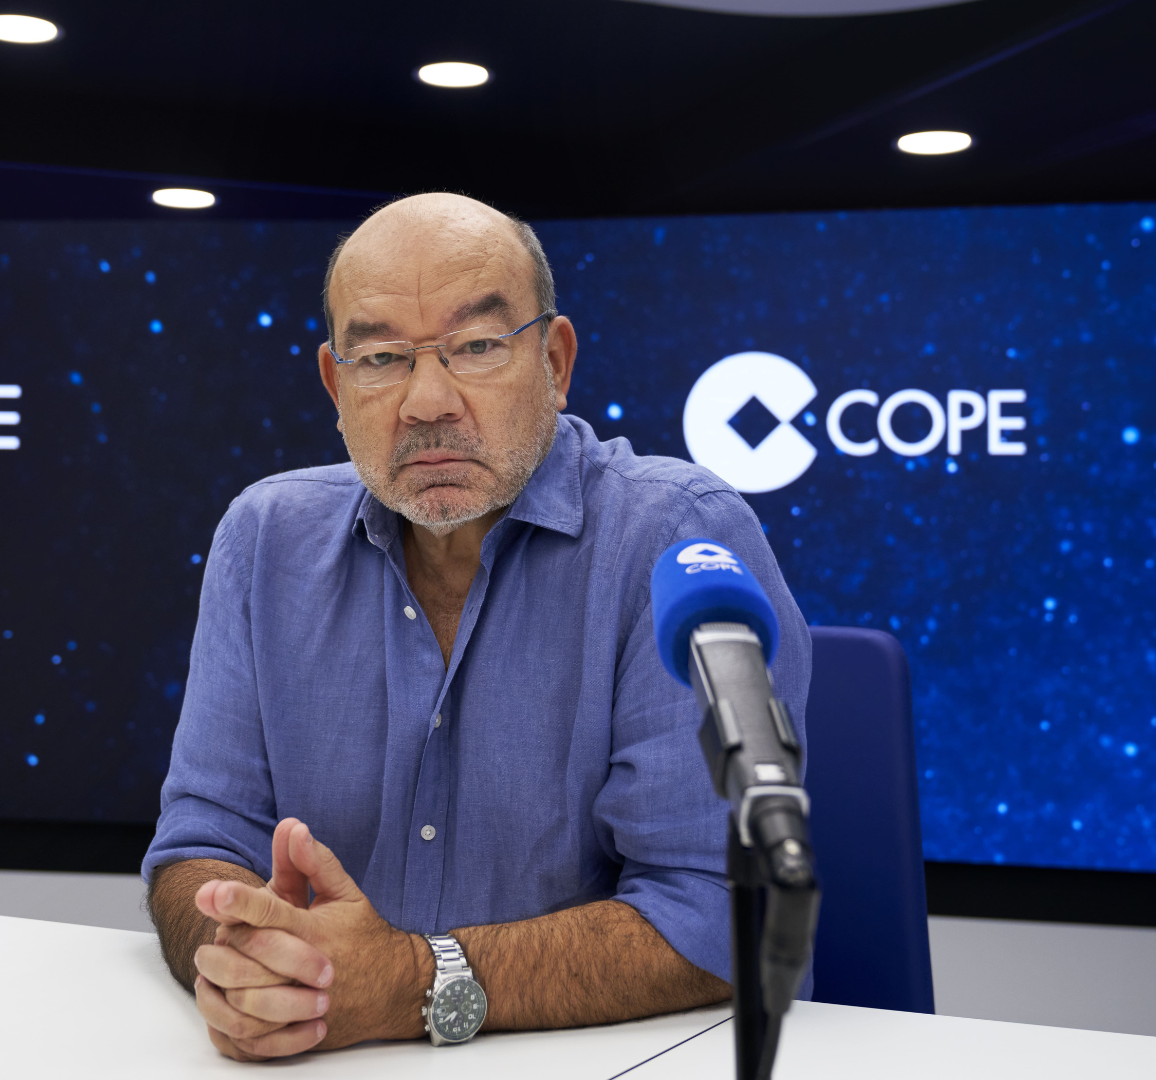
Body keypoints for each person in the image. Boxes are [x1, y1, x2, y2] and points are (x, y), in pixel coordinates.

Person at [143, 192, 810, 1061]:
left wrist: (410, 981)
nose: (427, 401)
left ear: (555, 362)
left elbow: (717, 912)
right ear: (336, 385)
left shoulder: (676, 536)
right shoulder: (264, 539)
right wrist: (249, 959)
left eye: (478, 347)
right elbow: (199, 844)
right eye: (381, 357)